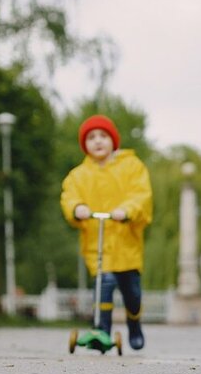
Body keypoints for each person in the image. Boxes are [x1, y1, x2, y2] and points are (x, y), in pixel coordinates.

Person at [60, 114, 153, 350]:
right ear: (85, 144)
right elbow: (69, 196)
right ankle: (102, 330)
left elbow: (141, 194)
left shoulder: (132, 166)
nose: (98, 141)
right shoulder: (78, 175)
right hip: (97, 243)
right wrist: (76, 208)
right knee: (105, 282)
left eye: (103, 136)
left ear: (113, 140)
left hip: (126, 244)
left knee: (132, 292)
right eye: (91, 137)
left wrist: (127, 210)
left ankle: (134, 323)